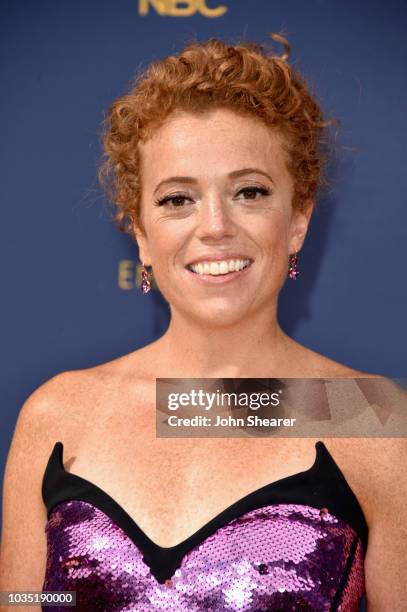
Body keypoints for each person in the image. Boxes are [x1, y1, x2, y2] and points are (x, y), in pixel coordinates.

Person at [0, 33, 405, 611]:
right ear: (140, 234)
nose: (214, 226)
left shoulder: (373, 420)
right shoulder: (59, 414)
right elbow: (18, 599)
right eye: (176, 199)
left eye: (248, 191)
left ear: (297, 222)